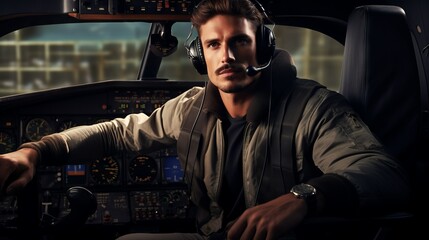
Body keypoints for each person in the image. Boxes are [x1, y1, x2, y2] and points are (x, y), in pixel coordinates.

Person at [0, 0, 410, 239]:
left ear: (262, 49)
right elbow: (118, 133)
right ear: (201, 56)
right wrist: (34, 150)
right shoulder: (192, 107)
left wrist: (303, 197)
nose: (226, 55)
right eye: (214, 44)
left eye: (239, 42)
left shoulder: (314, 108)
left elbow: (382, 173)